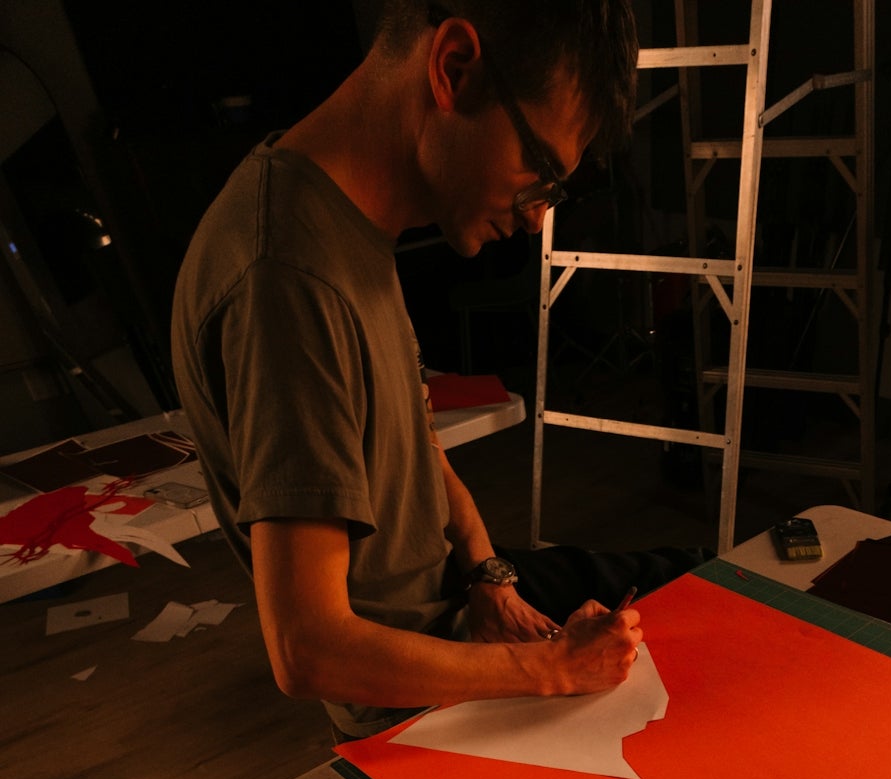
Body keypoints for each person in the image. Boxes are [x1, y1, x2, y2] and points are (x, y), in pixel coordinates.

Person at [171, 0, 702, 741]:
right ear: (454, 69)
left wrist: (489, 572)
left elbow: (411, 439)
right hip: (407, 689)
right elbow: (310, 649)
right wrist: (552, 670)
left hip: (458, 603)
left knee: (703, 581)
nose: (538, 216)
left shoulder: (347, 219)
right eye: (542, 170)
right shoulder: (286, 278)